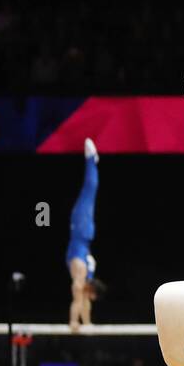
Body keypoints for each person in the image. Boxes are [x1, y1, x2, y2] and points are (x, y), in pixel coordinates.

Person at [67, 138, 106, 331]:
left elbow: (78, 296)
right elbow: (82, 299)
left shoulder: (81, 274)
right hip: (84, 230)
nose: (88, 298)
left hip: (81, 230)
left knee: (90, 189)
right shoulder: (86, 275)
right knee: (90, 189)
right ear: (92, 289)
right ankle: (91, 160)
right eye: (91, 296)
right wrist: (87, 324)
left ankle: (91, 160)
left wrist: (73, 322)